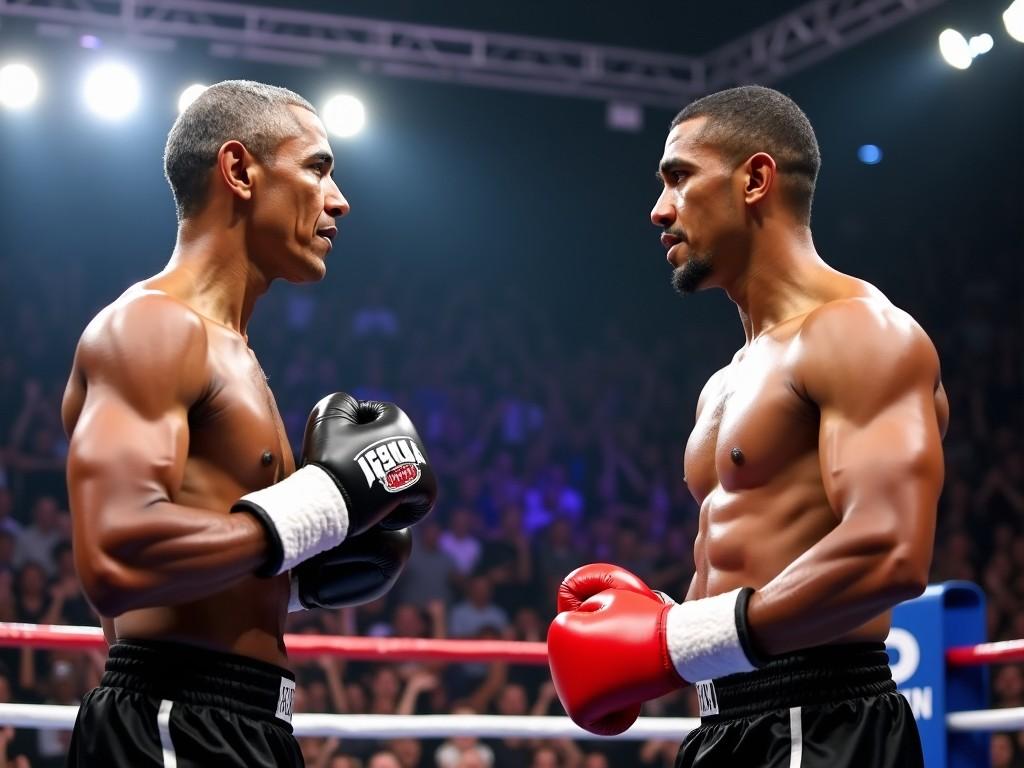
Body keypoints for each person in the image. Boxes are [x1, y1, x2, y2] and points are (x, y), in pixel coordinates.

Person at [546, 85, 947, 766]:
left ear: (755, 179)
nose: (658, 210)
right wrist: (665, 618)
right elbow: (757, 557)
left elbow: (889, 553)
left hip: (819, 719)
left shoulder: (861, 333)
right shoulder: (725, 382)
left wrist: (678, 641)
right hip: (724, 722)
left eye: (679, 178)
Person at [61, 80, 438, 767]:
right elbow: (116, 556)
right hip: (171, 719)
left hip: (245, 720)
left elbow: (228, 561)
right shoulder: (151, 327)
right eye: (318, 168)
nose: (339, 199)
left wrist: (307, 566)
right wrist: (321, 506)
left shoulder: (232, 353)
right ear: (239, 171)